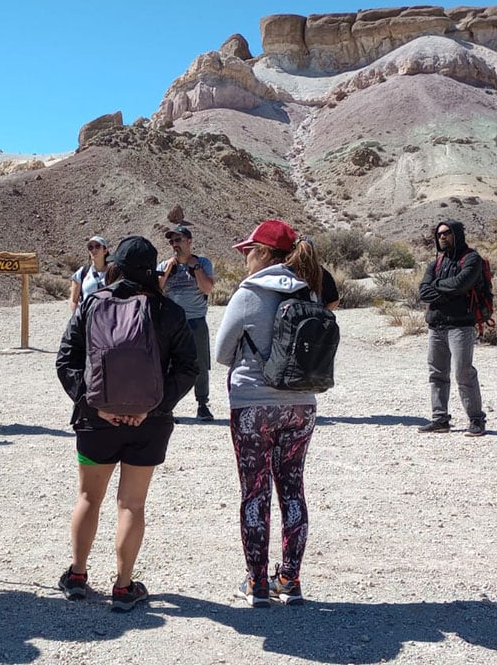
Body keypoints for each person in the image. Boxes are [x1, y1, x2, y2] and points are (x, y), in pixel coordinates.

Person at [55, 236, 198, 612]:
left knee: (88, 498)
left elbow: (65, 362)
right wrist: (152, 408)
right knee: (131, 504)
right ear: (151, 270)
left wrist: (92, 404)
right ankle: (122, 587)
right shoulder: (169, 311)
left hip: (94, 422)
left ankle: (78, 576)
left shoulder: (91, 304)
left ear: (115, 265)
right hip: (148, 425)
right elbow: (187, 368)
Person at [214, 219, 323, 607]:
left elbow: (222, 352)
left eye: (249, 251)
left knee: (254, 491)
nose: (244, 257)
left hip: (253, 404)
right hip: (301, 404)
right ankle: (290, 580)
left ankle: (257, 583)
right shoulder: (310, 290)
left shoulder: (249, 293)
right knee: (292, 489)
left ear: (263, 253)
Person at [417, 220, 488, 436]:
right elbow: (423, 291)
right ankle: (440, 419)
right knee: (437, 373)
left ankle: (476, 420)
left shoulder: (472, 258)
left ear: (457, 233)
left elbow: (461, 284)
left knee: (463, 372)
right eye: (439, 234)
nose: (442, 237)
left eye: (447, 233)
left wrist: (437, 287)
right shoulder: (436, 263)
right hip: (436, 325)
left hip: (461, 325)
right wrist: (447, 290)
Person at [158, 225, 216, 421]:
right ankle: (167, 406)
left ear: (189, 241)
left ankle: (202, 403)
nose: (175, 245)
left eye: (178, 240)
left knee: (200, 364)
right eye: (172, 241)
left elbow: (207, 289)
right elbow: (157, 291)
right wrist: (166, 272)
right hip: (171, 324)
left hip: (195, 322)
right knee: (168, 364)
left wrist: (196, 268)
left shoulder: (203, 263)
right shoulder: (165, 266)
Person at [69, 235, 109, 313]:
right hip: (88, 320)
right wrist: (77, 319)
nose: (94, 250)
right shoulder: (82, 273)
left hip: (108, 319)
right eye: (90, 247)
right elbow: (74, 300)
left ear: (105, 250)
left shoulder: (113, 272)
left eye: (97, 246)